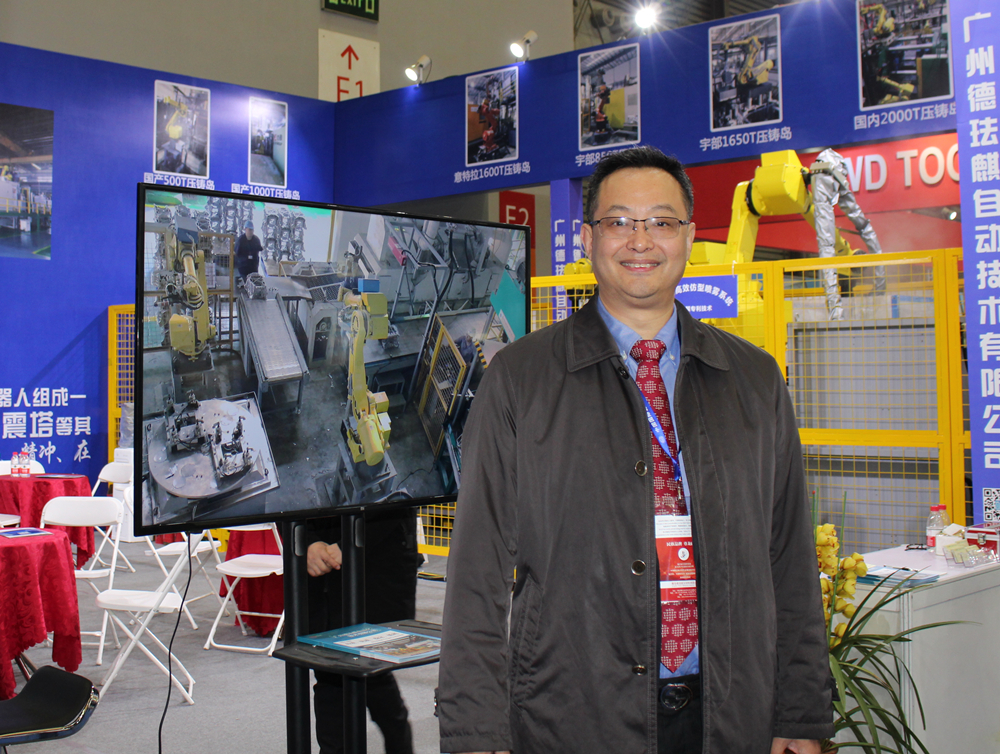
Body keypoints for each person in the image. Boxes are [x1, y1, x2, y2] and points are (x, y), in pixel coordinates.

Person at [437, 145, 833, 754]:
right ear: (588, 238)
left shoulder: (754, 380)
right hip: (574, 713)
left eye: (662, 222)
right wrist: (475, 731)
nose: (640, 240)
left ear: (690, 236)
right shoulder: (521, 378)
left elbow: (789, 557)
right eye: (619, 221)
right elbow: (477, 569)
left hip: (732, 714)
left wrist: (801, 712)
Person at [306, 511, 421, 754]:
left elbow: (398, 498)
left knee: (371, 672)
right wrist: (308, 542)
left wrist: (350, 542)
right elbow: (282, 498)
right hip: (322, 578)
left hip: (376, 570)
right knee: (330, 675)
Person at [810, 147, 885, 320]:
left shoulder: (823, 180)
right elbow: (862, 224)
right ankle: (838, 312)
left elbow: (827, 246)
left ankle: (836, 313)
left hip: (830, 171)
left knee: (827, 245)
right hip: (835, 171)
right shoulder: (834, 179)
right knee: (858, 228)